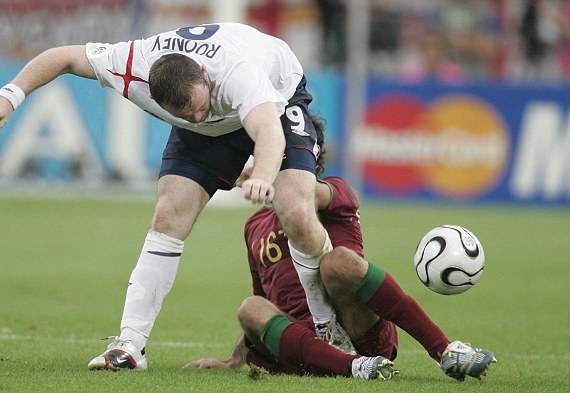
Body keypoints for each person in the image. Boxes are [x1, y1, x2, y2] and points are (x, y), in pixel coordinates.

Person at [0, 23, 344, 370]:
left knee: (295, 209)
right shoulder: (129, 64)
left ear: (203, 75)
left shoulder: (236, 73)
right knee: (167, 215)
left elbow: (267, 132)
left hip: (277, 99)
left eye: (200, 105)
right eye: (185, 113)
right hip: (217, 130)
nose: (197, 117)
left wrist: (262, 175)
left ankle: (329, 328)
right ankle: (130, 345)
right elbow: (64, 56)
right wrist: (10, 96)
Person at [185, 117, 496, 381]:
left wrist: (259, 175)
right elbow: (266, 301)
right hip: (302, 347)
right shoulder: (253, 226)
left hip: (358, 329)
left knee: (337, 263)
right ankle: (350, 366)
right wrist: (233, 359)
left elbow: (303, 196)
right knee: (250, 307)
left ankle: (444, 350)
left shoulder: (334, 191)